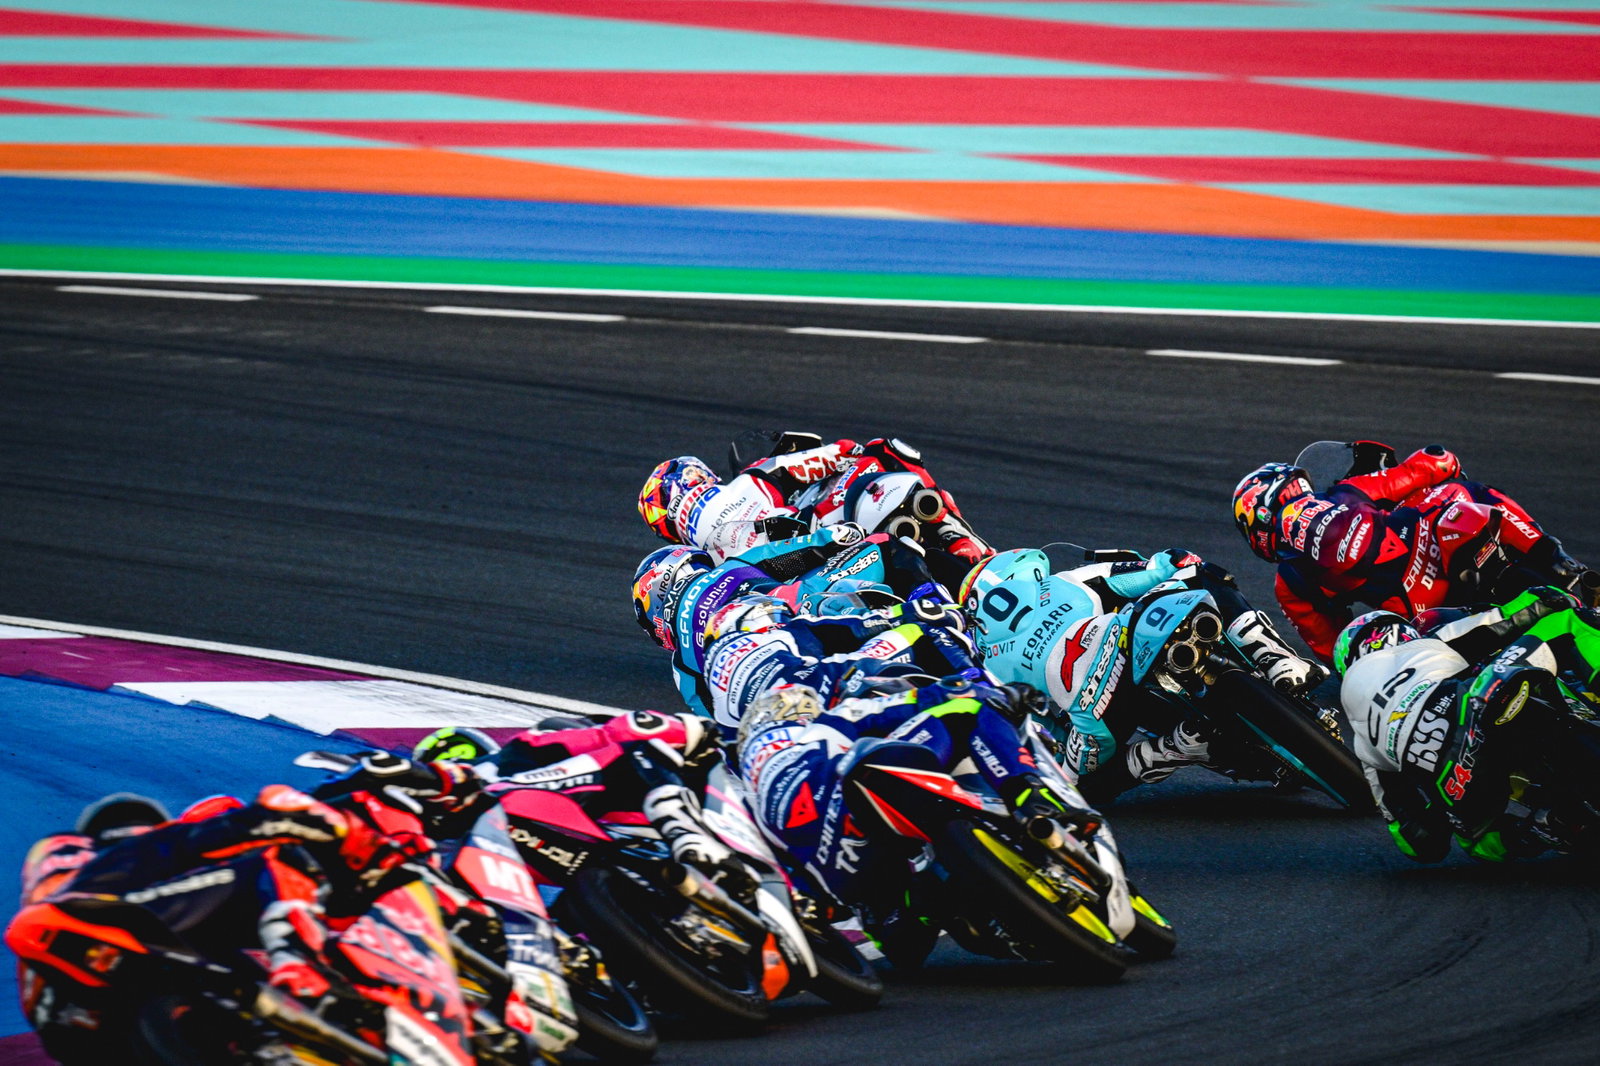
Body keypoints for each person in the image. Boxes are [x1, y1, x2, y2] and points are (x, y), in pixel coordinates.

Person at [9, 782, 435, 1061]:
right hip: (85, 937)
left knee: (234, 967)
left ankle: (270, 1041)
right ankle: (300, 964)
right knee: (275, 863)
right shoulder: (97, 853)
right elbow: (189, 843)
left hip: (77, 1029)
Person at [733, 677, 1099, 967]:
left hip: (854, 886)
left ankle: (947, 907)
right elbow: (924, 699)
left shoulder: (746, 801)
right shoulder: (821, 726)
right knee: (969, 709)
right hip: (858, 799)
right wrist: (1000, 693)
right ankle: (1028, 796)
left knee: (903, 947)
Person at [960, 546, 1324, 802]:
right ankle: (1275, 659)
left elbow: (1036, 731)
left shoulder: (985, 659)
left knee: (1068, 786)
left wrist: (1069, 739)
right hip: (1119, 639)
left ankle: (1172, 749)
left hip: (1093, 714)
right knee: (1204, 576)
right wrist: (1176, 560)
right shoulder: (1063, 582)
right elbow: (1157, 570)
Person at [1233, 443, 1597, 663]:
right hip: (1438, 541)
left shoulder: (1290, 582)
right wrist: (1442, 459)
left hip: (1421, 612)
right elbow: (1422, 468)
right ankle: (1553, 557)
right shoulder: (1347, 491)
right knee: (1463, 491)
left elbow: (1332, 646)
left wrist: (1380, 659)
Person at [1335, 586, 1600, 863]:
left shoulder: (1361, 740)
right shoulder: (1419, 647)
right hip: (1471, 705)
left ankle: (1540, 829)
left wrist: (1439, 809)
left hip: (1456, 782)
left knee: (1477, 842)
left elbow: (1416, 841)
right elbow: (1504, 619)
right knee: (1567, 620)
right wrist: (1554, 596)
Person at [632, 524, 950, 715]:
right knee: (886, 544)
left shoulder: (683, 667)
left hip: (780, 687)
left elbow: (718, 719)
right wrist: (841, 532)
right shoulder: (729, 568)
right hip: (811, 613)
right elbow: (816, 546)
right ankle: (936, 604)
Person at [637, 434, 991, 577]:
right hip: (824, 542)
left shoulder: (686, 566)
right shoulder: (749, 480)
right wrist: (849, 451)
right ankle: (966, 544)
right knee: (886, 449)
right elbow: (838, 453)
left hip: (787, 592)